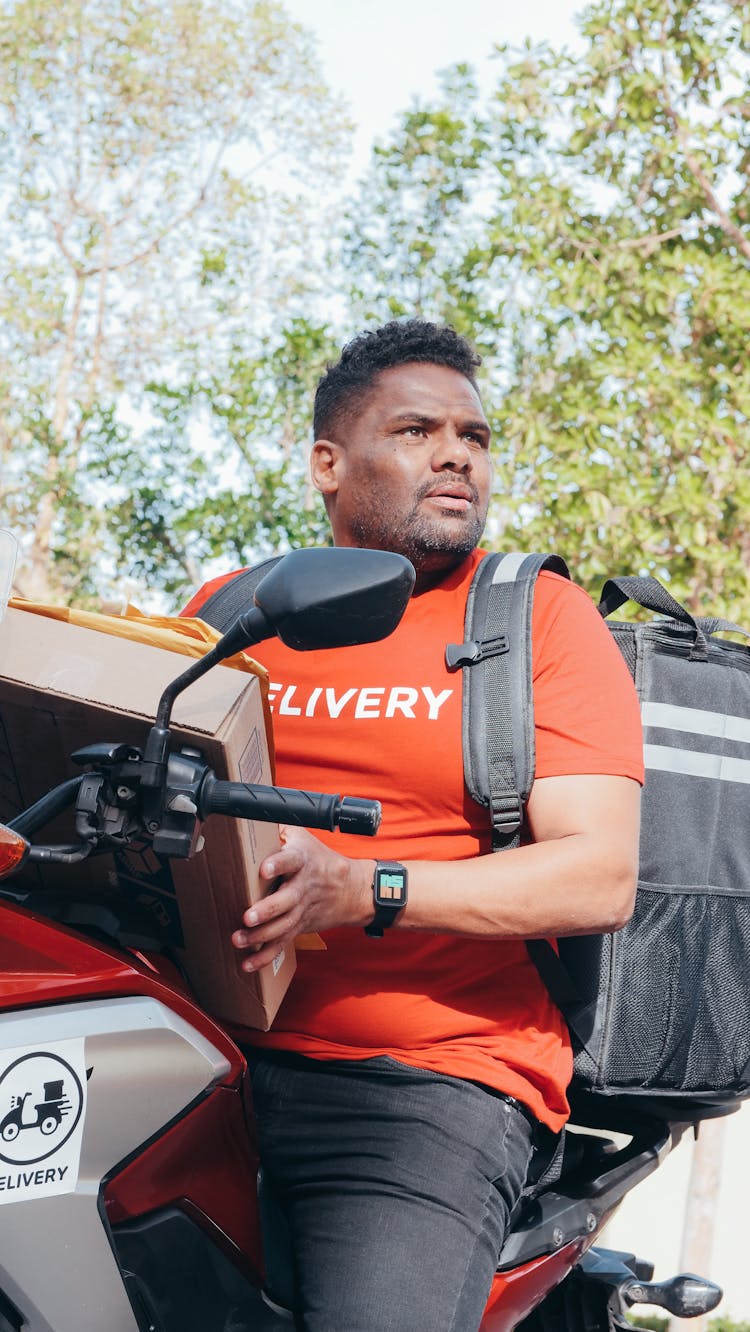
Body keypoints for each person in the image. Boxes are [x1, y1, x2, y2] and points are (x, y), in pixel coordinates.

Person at [183, 319, 644, 1332]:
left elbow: (598, 875)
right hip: (198, 1048)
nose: (456, 455)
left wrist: (365, 888)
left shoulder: (533, 620)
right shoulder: (233, 609)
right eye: (417, 430)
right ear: (327, 464)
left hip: (421, 1083)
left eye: (474, 438)